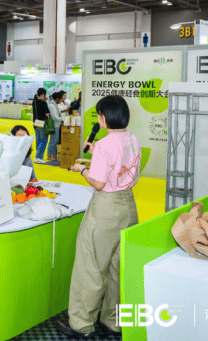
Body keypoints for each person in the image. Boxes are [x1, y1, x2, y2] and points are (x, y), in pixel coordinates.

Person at [56, 95, 140, 339]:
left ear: (105, 117)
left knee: (91, 265)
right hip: (128, 204)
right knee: (117, 267)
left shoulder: (105, 143)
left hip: (106, 208)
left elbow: (99, 183)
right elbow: (121, 168)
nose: (98, 118)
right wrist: (96, 155)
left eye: (99, 114)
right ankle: (113, 320)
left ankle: (81, 324)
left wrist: (83, 169)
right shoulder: (132, 139)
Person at [47, 91, 69, 162]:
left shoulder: (55, 104)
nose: (60, 100)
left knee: (56, 140)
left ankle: (54, 154)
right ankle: (49, 155)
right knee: (53, 140)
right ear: (57, 98)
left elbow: (58, 113)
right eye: (59, 99)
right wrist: (62, 119)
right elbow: (54, 116)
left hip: (57, 124)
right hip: (53, 125)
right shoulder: (51, 105)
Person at [31, 88, 51, 164]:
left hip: (36, 122)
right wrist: (45, 102)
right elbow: (47, 113)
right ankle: (38, 157)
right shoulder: (43, 103)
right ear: (43, 94)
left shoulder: (34, 102)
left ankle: (39, 155)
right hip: (42, 122)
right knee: (44, 140)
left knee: (38, 140)